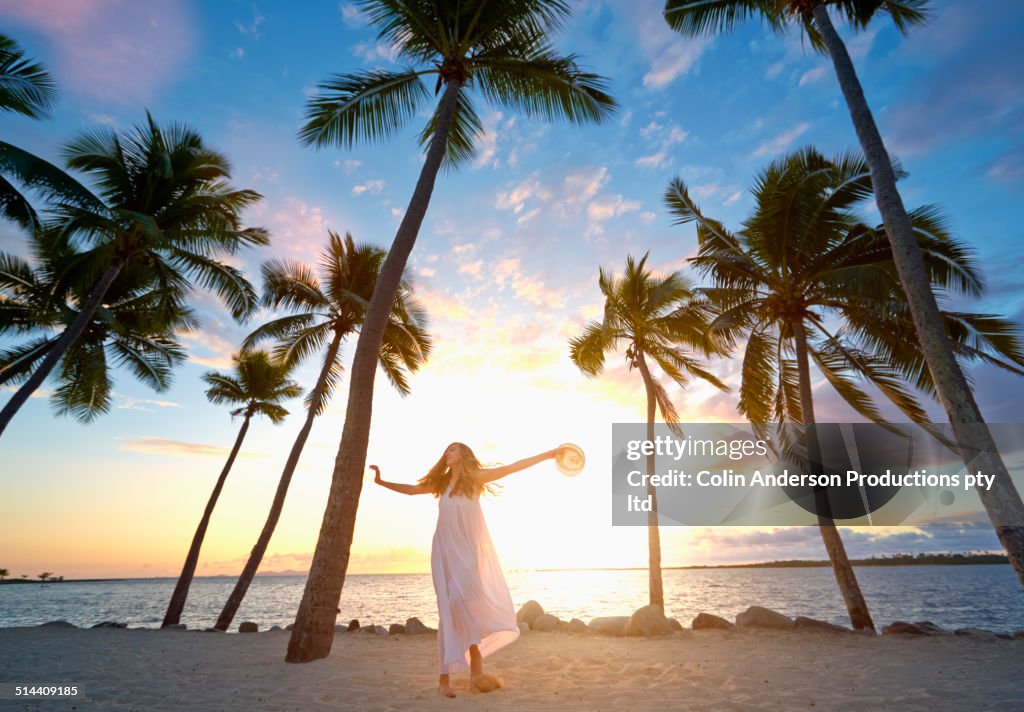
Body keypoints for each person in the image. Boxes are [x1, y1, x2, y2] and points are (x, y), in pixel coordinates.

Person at [371, 442, 558, 698]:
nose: (448, 453)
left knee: (462, 607)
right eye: (447, 450)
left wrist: (549, 454)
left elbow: (513, 468)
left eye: (453, 450)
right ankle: (446, 681)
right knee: (448, 612)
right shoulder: (441, 484)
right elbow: (412, 490)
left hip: (469, 556)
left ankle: (475, 674)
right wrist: (381, 482)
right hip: (444, 553)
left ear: (463, 455)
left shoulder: (476, 479)